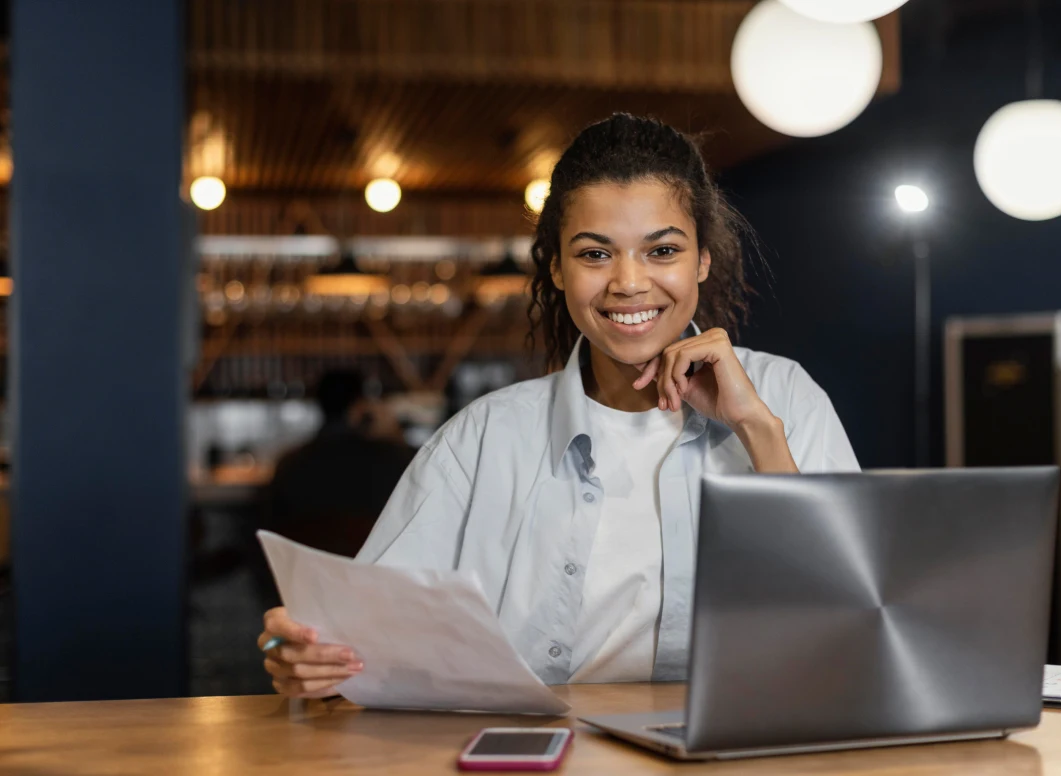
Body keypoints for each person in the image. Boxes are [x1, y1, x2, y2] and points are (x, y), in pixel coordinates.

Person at [258, 114, 859, 698]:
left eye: (662, 251)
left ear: (702, 260)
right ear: (557, 267)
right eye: (595, 254)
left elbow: (852, 619)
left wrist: (756, 429)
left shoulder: (784, 400)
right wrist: (309, 657)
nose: (628, 282)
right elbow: (362, 634)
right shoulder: (484, 437)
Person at [260, 370, 415, 565]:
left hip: (305, 583)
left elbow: (271, 529)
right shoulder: (394, 458)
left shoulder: (289, 463)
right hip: (375, 583)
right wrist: (394, 433)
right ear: (360, 407)